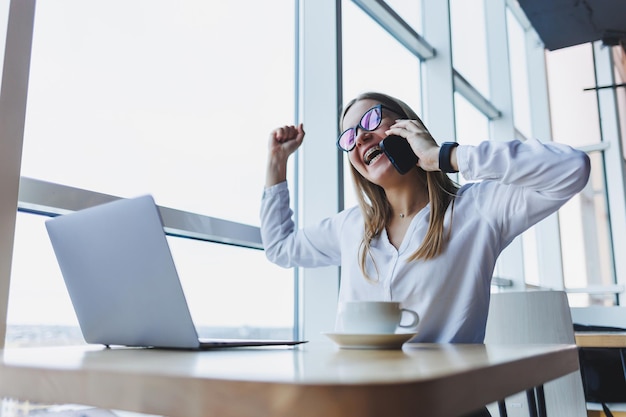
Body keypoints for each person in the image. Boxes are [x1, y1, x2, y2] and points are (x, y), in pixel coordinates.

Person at [261, 91, 590, 345]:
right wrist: (277, 163)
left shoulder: (477, 209)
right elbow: (280, 247)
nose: (360, 138)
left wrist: (443, 155)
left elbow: (571, 168)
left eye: (372, 120)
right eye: (349, 137)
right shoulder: (352, 228)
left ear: (407, 125)